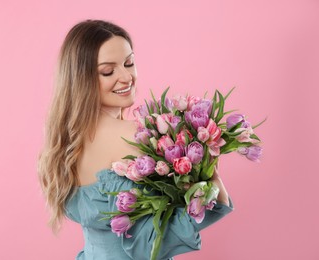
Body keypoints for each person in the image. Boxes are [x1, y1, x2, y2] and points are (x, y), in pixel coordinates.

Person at [37, 19, 233, 260]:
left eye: (129, 63)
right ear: (81, 78)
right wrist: (209, 171)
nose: (126, 76)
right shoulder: (133, 136)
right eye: (108, 71)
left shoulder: (65, 141)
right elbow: (154, 241)